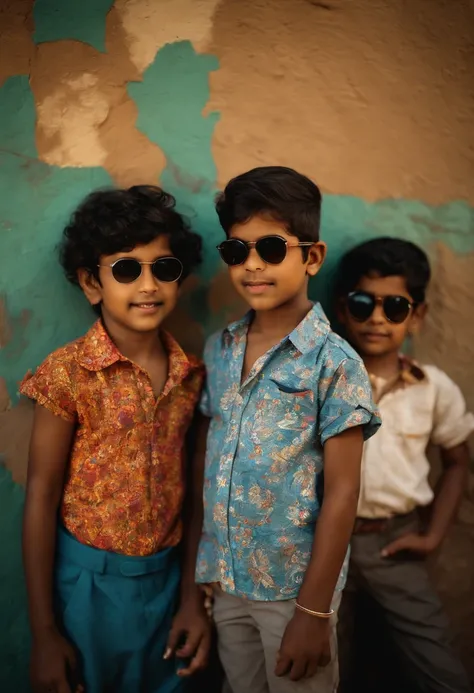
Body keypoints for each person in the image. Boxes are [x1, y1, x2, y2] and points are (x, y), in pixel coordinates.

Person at [190, 166, 381, 693]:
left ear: (311, 257)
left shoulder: (334, 362)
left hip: (293, 589)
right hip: (226, 579)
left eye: (272, 249)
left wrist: (313, 612)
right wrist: (200, 582)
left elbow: (343, 492)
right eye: (236, 251)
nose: (252, 264)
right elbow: (209, 462)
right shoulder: (220, 349)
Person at [20, 186, 211, 693]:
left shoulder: (190, 376)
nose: (148, 285)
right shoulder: (68, 374)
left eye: (163, 268)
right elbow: (40, 496)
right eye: (126, 269)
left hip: (170, 584)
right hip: (87, 589)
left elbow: (196, 498)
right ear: (90, 283)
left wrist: (192, 597)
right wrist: (43, 635)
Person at [335, 237, 474, 693]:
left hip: (394, 544)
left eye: (395, 307)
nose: (377, 318)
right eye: (363, 303)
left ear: (417, 317)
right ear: (342, 308)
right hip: (320, 546)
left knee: (437, 670)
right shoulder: (322, 381)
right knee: (324, 666)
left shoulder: (432, 389)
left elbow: (457, 462)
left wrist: (433, 534)